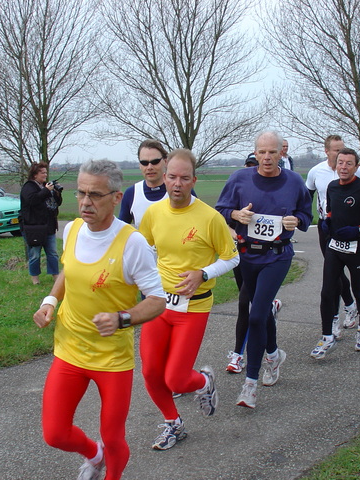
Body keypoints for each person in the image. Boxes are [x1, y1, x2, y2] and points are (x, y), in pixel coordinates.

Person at [32, 159, 166, 480]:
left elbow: (158, 302)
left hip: (112, 359)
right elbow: (69, 268)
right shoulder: (73, 229)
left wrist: (123, 318)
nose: (85, 202)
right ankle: (94, 455)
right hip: (70, 349)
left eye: (95, 195)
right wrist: (51, 300)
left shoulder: (132, 244)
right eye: (81, 193)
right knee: (55, 433)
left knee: (114, 436)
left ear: (116, 198)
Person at [138, 149, 239, 450]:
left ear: (193, 180)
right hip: (159, 305)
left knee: (177, 380)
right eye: (172, 177)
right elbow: (144, 250)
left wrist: (203, 274)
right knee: (150, 372)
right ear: (164, 178)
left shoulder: (209, 218)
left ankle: (203, 382)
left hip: (193, 307)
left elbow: (231, 258)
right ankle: (173, 424)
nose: (177, 184)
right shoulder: (154, 213)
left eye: (184, 178)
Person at [216, 130, 313, 409]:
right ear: (255, 153)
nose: (267, 157)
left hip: (277, 256)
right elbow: (220, 209)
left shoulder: (294, 181)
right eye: (262, 152)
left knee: (256, 314)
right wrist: (235, 215)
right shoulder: (239, 179)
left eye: (273, 152)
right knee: (261, 308)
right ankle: (273, 353)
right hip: (247, 255)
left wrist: (297, 220)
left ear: (282, 152)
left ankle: (251, 383)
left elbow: (307, 214)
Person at [311, 148, 360, 360]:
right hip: (335, 246)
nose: (343, 167)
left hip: (357, 248)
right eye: (340, 163)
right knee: (327, 291)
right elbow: (332, 210)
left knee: (358, 290)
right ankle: (326, 337)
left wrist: (359, 230)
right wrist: (328, 221)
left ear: (355, 166)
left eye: (348, 164)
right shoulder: (332, 187)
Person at [226, 153, 282, 374]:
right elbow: (223, 217)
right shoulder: (238, 187)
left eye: (254, 166)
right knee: (257, 307)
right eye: (250, 165)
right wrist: (235, 226)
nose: (253, 169)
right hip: (241, 254)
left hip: (265, 258)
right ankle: (273, 353)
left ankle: (238, 354)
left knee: (245, 303)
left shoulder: (270, 194)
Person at [20, 162, 63, 285]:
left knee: (53, 253)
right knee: (34, 254)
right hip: (34, 227)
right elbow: (32, 200)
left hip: (49, 226)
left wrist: (57, 192)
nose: (45, 175)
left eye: (46, 172)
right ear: (34, 175)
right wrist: (46, 190)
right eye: (42, 172)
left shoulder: (46, 186)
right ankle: (35, 279)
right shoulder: (28, 187)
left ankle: (55, 276)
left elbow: (56, 203)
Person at [118, 139, 168, 228]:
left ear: (165, 161)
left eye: (155, 162)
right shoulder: (131, 193)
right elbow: (119, 231)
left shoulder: (182, 190)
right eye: (144, 163)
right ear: (140, 165)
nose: (149, 167)